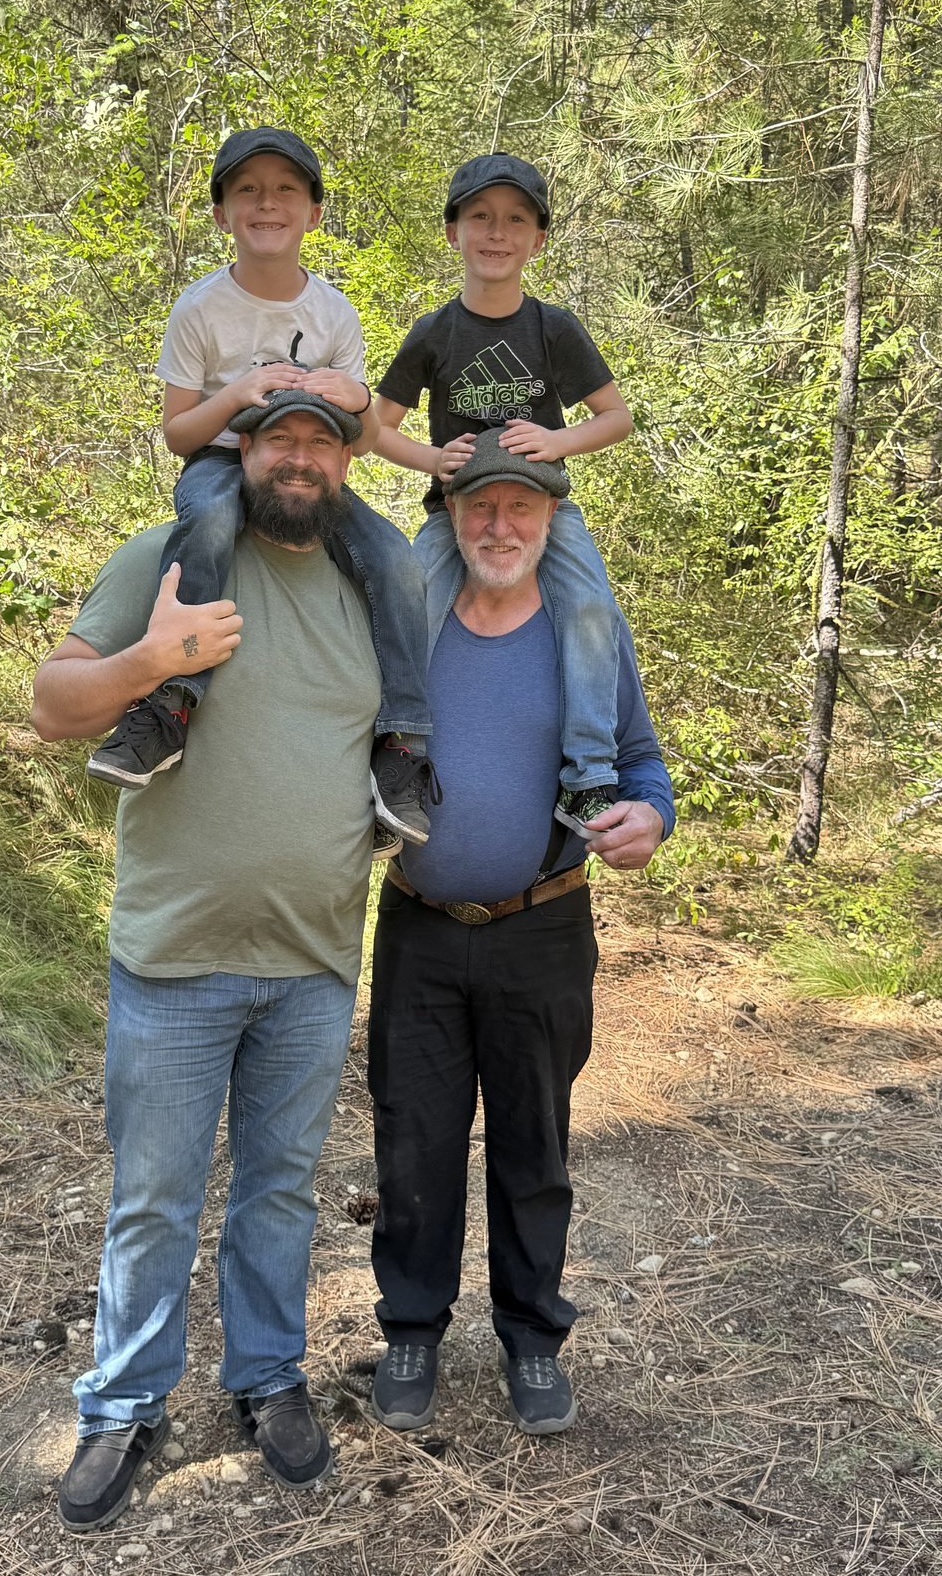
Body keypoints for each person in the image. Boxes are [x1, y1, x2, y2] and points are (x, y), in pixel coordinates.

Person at [32, 389, 393, 1533]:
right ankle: (124, 1405)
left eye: (321, 441)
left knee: (280, 1192)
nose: (300, 457)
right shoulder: (168, 557)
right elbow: (53, 704)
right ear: (242, 448)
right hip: (175, 959)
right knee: (154, 1199)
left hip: (315, 959)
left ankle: (267, 1377)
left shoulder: (371, 588)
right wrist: (148, 659)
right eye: (279, 437)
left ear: (346, 461)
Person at [366, 428, 675, 1436]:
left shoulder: (586, 630)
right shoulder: (407, 626)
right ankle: (412, 1328)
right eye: (480, 506)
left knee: (534, 1143)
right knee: (412, 1140)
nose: (499, 526)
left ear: (550, 520)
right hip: (415, 925)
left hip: (543, 927)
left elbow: (641, 760)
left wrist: (652, 816)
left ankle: (533, 1338)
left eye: (521, 508)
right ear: (452, 517)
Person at [86, 126, 437, 846]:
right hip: (221, 460)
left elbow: (361, 439)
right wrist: (235, 396)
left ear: (314, 212)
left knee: (396, 558)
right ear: (222, 214)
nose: (267, 203)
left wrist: (360, 401)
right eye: (247, 190)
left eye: (285, 190)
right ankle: (170, 704)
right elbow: (178, 433)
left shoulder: (334, 313)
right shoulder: (200, 309)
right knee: (212, 521)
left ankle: (402, 742)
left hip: (304, 469)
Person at [374, 152, 633, 839]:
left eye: (516, 220)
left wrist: (557, 440)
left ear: (538, 239)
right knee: (408, 599)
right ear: (452, 231)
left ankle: (589, 775)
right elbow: (373, 428)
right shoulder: (435, 332)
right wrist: (432, 459)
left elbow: (616, 418)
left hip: (542, 510)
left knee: (591, 606)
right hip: (456, 512)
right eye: (480, 216)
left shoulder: (554, 328)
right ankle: (399, 756)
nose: (497, 232)